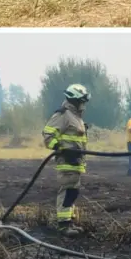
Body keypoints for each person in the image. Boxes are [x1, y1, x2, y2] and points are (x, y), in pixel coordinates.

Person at [42, 84, 91, 237]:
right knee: (67, 191)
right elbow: (48, 135)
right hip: (67, 161)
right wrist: (59, 148)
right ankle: (63, 225)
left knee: (72, 192)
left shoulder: (76, 116)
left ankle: (69, 221)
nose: (84, 104)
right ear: (74, 100)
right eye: (82, 101)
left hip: (76, 161)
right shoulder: (63, 114)